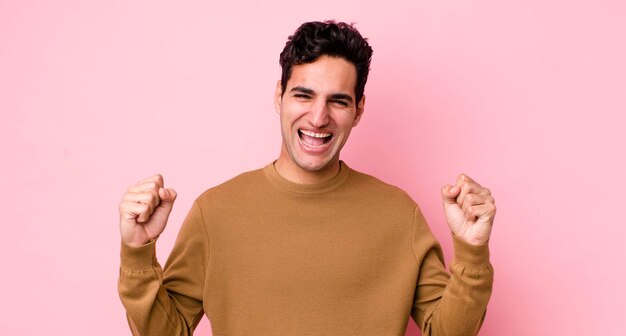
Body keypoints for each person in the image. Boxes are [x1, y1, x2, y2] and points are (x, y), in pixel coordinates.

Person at [118, 20, 495, 336]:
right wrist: (137, 253)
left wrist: (472, 252)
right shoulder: (215, 212)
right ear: (279, 96)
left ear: (358, 109)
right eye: (303, 95)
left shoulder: (399, 213)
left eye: (338, 101)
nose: (318, 118)